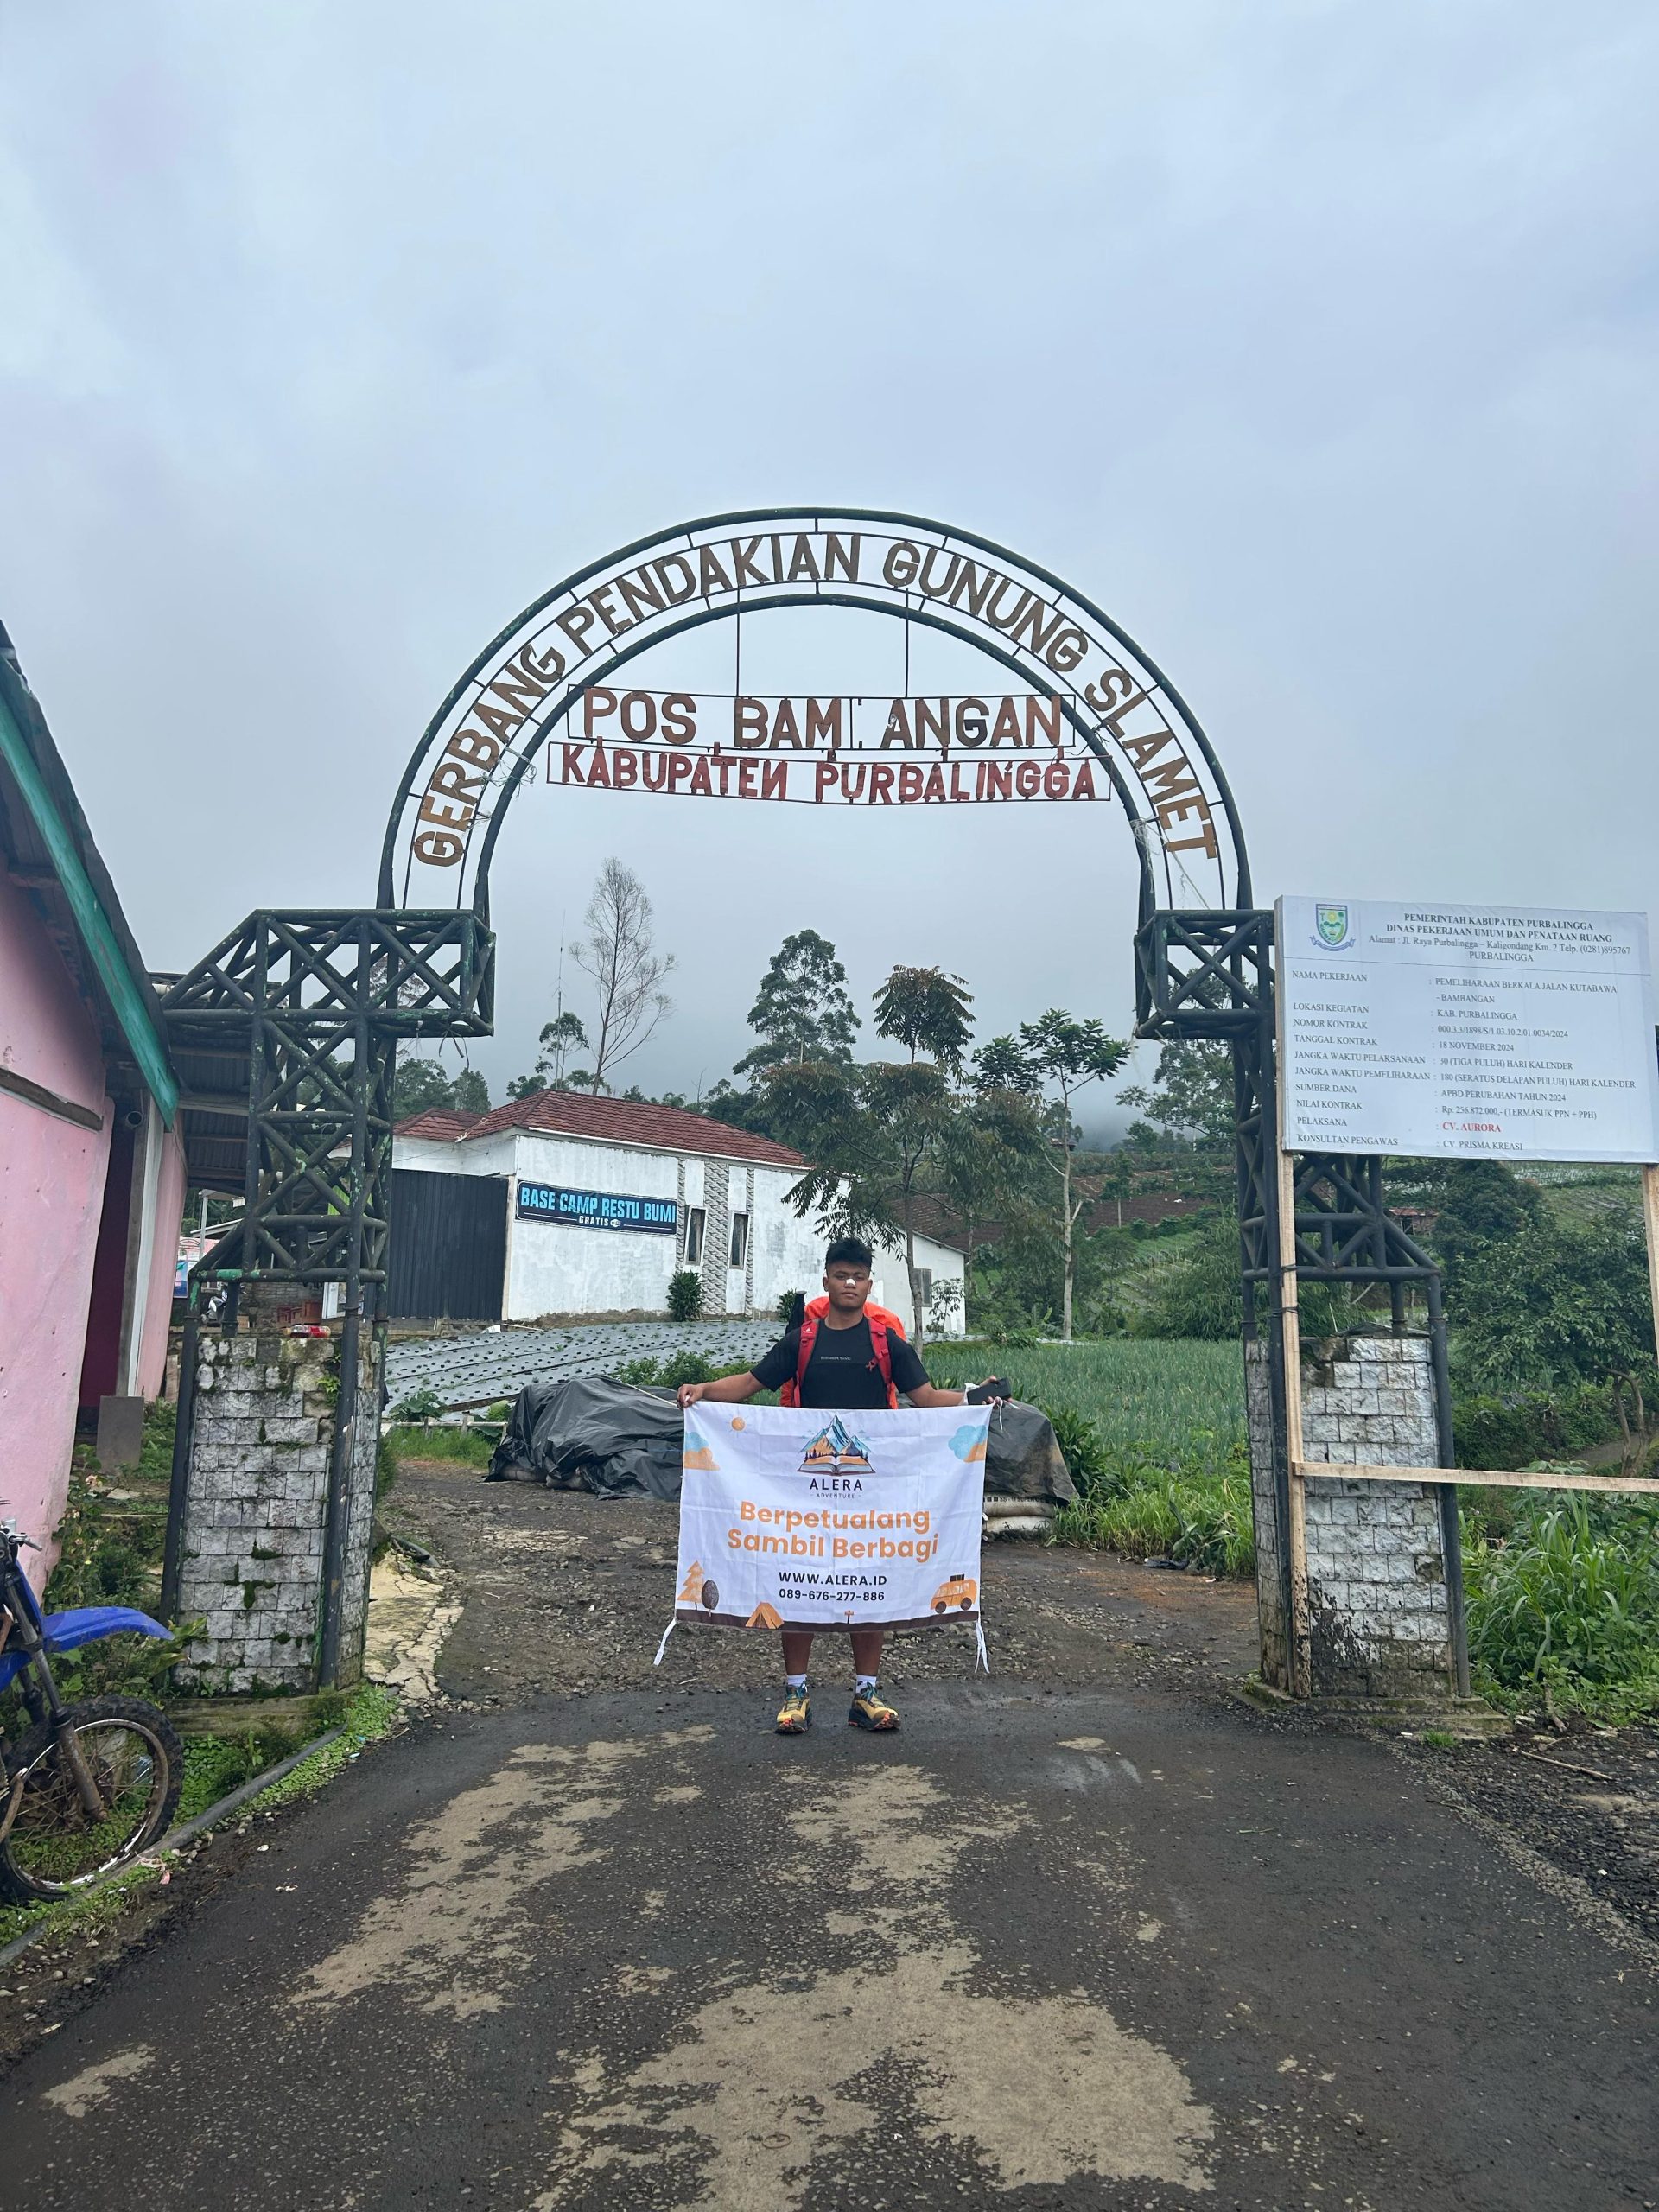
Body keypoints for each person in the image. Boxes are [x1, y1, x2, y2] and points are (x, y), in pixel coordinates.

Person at [677, 1236, 1002, 1737]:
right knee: (797, 1580)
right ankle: (796, 1692)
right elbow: (749, 1384)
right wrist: (702, 1391)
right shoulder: (803, 1341)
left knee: (873, 1581)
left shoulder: (886, 1343)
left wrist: (974, 1396)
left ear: (870, 1285)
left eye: (858, 1276)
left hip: (872, 1496)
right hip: (803, 1494)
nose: (849, 1283)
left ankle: (866, 1694)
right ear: (826, 1281)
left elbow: (926, 1398)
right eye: (840, 1275)